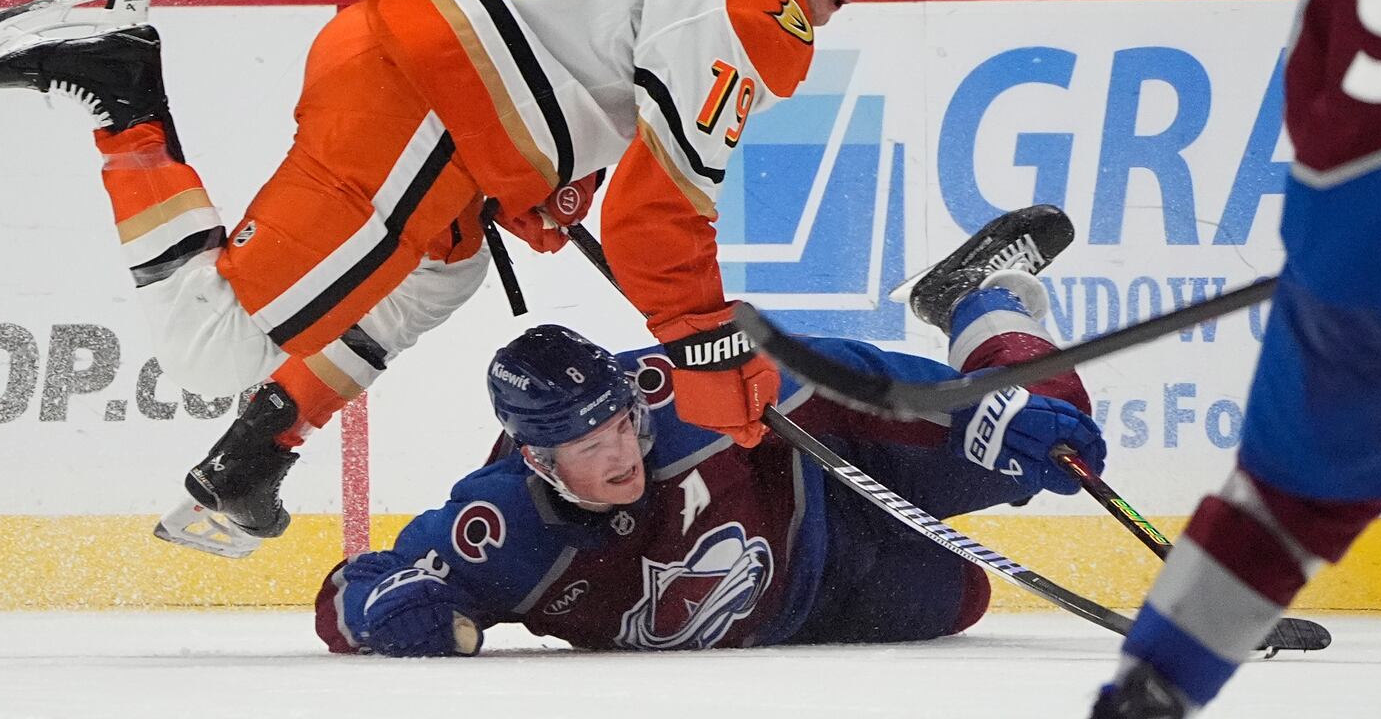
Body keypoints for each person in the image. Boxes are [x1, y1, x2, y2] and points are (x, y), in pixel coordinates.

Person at [0, 0, 914, 558]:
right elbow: (655, 221)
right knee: (212, 345)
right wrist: (708, 350)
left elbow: (578, 39)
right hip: (417, 109)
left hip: (410, 70)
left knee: (444, 274)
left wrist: (546, 170)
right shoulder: (753, 4)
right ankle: (121, 82)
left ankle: (262, 444)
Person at [313, 206, 1106, 655]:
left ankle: (975, 303)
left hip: (837, 466)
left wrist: (980, 415)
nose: (622, 450)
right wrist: (380, 611)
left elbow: (839, 372)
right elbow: (357, 588)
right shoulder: (502, 529)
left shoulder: (678, 391)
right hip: (820, 596)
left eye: (620, 425)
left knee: (1054, 437)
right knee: (962, 597)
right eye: (590, 448)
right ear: (540, 461)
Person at [1090, 0, 1381, 718]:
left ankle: (1153, 690)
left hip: (1343, 236)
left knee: (1284, 502)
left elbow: (1315, 53)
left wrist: (1333, 242)